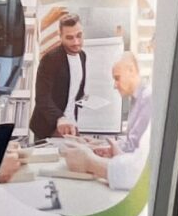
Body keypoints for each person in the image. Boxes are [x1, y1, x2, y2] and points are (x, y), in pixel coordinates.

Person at [60, 51, 151, 192]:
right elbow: (132, 144)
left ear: (131, 70)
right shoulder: (136, 100)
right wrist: (100, 144)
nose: (114, 85)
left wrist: (91, 160)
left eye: (117, 78)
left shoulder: (148, 99)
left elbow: (136, 154)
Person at [28, 11, 89, 141]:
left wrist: (82, 97)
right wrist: (59, 118)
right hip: (49, 126)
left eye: (79, 36)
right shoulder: (50, 59)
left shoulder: (82, 56)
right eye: (70, 38)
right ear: (60, 36)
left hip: (71, 123)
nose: (76, 42)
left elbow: (73, 86)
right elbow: (42, 98)